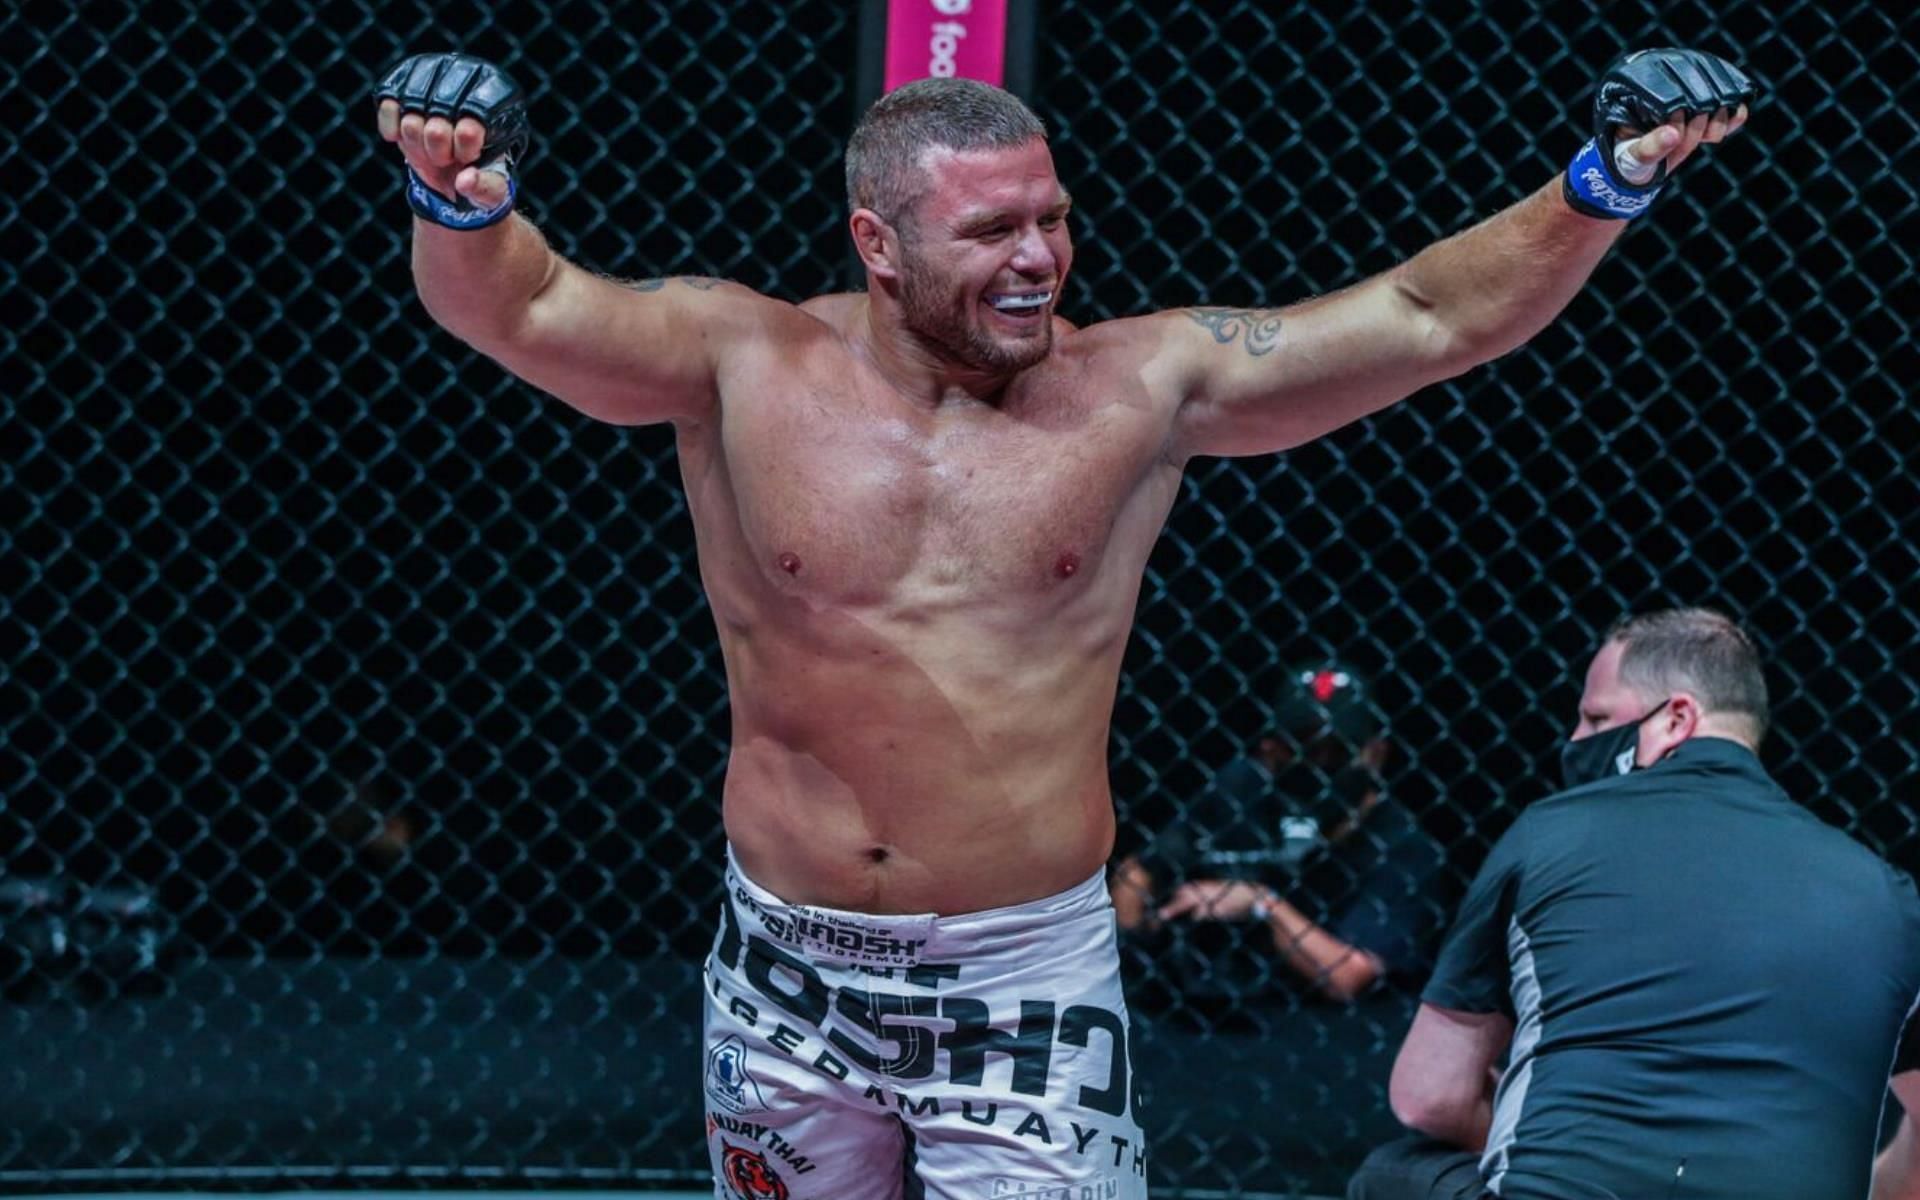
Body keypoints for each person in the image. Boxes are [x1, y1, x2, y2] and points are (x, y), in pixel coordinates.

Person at [371, 48, 1753, 1200]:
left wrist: (1604, 179)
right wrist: (463, 202)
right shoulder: (743, 361)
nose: (1041, 257)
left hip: (1020, 977)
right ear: (878, 243)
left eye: (1053, 218)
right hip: (787, 968)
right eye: (992, 231)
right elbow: (527, 306)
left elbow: (1429, 315)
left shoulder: (1139, 388)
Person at [1351, 608, 1920, 1200]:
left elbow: (1427, 1095)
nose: (1575, 740)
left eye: (1597, 717)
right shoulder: (1887, 895)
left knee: (1391, 1173)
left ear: (1676, 719)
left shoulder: (1551, 836)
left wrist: (1547, 1138)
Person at [1111, 663, 1447, 1013]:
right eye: (1302, 746)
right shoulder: (1241, 790)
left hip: (1330, 1032)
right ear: (1270, 749)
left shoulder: (1400, 841)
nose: (1319, 763)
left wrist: (1263, 904)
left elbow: (1347, 977)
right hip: (1205, 1016)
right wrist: (1134, 956)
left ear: (1375, 753)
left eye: (1338, 749)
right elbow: (1136, 873)